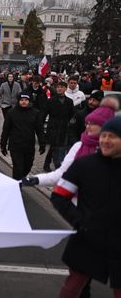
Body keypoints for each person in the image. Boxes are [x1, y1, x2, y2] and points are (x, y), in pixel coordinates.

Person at [49, 116, 121, 298]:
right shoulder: (84, 165)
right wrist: (81, 222)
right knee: (73, 286)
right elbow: (59, 195)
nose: (105, 140)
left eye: (112, 136)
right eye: (104, 135)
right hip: (89, 238)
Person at [22, 104, 115, 187]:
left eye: (93, 124)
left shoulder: (115, 151)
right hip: (80, 202)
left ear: (105, 126)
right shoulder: (79, 146)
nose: (88, 127)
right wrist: (38, 179)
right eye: (87, 123)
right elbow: (62, 173)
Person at [0, 93, 46, 180]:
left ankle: (20, 179)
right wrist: (3, 144)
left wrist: (42, 143)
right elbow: (6, 130)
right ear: (18, 101)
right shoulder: (11, 113)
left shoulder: (35, 113)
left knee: (28, 166)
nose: (24, 102)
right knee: (18, 168)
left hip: (29, 145)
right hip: (15, 145)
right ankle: (17, 186)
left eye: (26, 100)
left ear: (29, 101)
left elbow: (39, 129)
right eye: (22, 100)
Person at [43, 82, 75, 171]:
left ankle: (56, 163)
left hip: (64, 126)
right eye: (58, 87)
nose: (59, 89)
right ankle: (50, 163)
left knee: (60, 146)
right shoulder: (51, 100)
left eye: (61, 87)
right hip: (53, 126)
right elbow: (44, 113)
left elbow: (72, 115)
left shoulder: (69, 101)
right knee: (53, 145)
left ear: (65, 88)